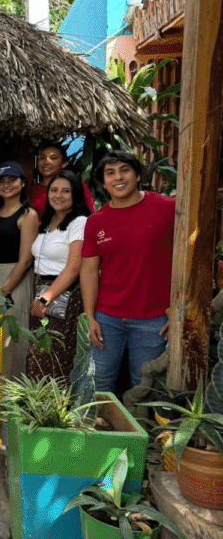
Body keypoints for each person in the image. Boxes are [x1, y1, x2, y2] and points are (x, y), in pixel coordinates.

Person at [80, 151, 175, 392]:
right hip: (107, 317)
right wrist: (90, 316)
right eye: (110, 173)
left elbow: (188, 258)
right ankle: (103, 427)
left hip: (154, 318)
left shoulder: (168, 208)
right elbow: (89, 270)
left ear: (137, 175)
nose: (118, 177)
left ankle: (144, 430)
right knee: (99, 382)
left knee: (144, 386)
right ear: (103, 182)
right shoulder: (96, 221)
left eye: (125, 170)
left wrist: (179, 306)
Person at [26, 169, 91, 380]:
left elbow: (73, 268)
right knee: (38, 355)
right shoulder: (48, 220)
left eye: (65, 191)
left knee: (54, 358)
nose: (58, 195)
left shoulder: (79, 222)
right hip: (41, 291)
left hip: (63, 295)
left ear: (76, 195)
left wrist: (46, 298)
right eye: (54, 190)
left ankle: (56, 410)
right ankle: (36, 410)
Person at [0, 161, 38, 380]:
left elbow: (25, 261)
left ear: (22, 183)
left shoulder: (28, 215)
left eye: (12, 180)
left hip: (14, 279)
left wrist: (4, 292)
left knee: (12, 342)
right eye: (1, 181)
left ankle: (9, 400)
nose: (7, 185)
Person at [28, 143, 95, 216]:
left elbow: (91, 217)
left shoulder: (77, 186)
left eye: (53, 158)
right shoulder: (30, 191)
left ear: (64, 163)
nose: (46, 162)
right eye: (42, 158)